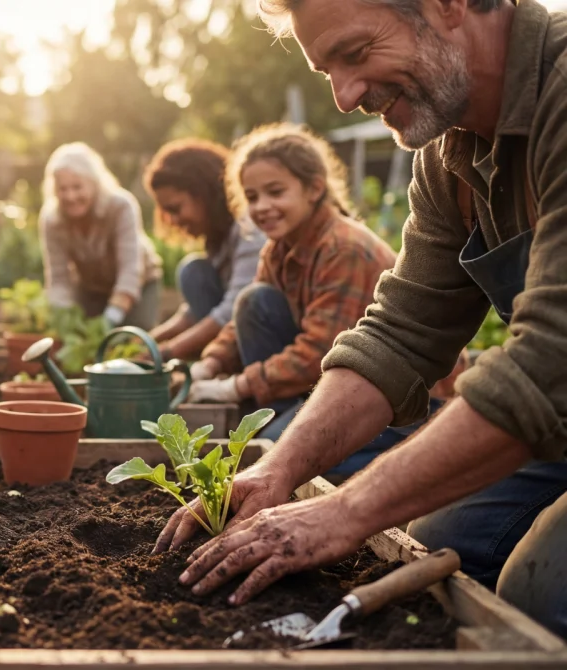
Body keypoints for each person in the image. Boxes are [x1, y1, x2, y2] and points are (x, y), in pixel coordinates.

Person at [160, 0, 567, 638]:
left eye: (355, 54)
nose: (346, 97)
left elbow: (551, 361)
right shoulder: (450, 153)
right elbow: (399, 335)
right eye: (328, 72)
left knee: (537, 593)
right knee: (439, 545)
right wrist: (277, 470)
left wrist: (345, 511)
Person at [184, 124, 432, 478]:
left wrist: (236, 386)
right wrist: (209, 363)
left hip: (401, 399)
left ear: (314, 188)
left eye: (275, 192)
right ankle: (289, 413)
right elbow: (243, 324)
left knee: (272, 454)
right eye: (252, 197)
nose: (262, 206)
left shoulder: (343, 248)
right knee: (254, 302)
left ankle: (409, 454)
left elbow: (318, 351)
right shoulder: (278, 248)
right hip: (338, 380)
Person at [144, 139, 267, 360]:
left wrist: (165, 353)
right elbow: (194, 313)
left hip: (264, 329)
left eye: (175, 208)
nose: (173, 220)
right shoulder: (217, 236)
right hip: (234, 328)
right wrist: (147, 341)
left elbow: (232, 309)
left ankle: (231, 363)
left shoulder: (249, 228)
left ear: (202, 193)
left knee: (192, 272)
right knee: (194, 270)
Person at [39, 142, 163, 330]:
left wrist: (113, 315)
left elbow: (131, 269)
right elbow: (58, 278)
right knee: (85, 337)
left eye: (77, 187)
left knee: (131, 334)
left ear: (94, 183)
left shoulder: (121, 206)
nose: (70, 196)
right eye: (62, 189)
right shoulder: (52, 219)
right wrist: (64, 317)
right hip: (92, 289)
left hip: (140, 283)